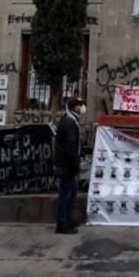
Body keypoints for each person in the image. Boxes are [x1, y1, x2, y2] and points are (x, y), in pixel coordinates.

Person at [55, 97, 86, 234]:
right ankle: (62, 223)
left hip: (67, 164)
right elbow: (71, 147)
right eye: (80, 105)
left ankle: (68, 219)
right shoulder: (69, 123)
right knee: (66, 194)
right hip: (66, 165)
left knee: (72, 193)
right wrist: (76, 167)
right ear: (75, 108)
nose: (83, 108)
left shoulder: (72, 121)